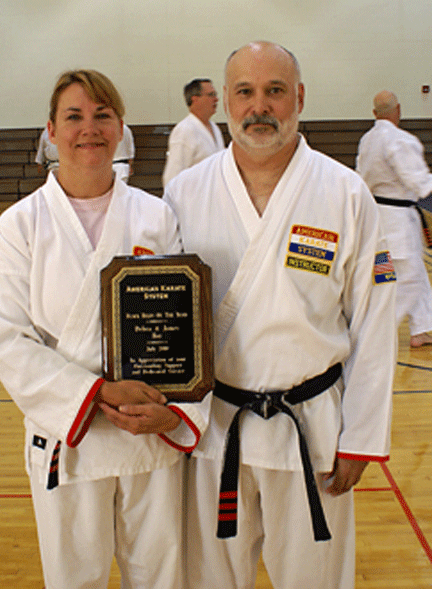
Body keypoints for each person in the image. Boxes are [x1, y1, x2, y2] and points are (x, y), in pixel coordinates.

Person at [164, 41, 396, 589]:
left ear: (300, 99)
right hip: (214, 428)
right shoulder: (183, 193)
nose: (259, 106)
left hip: (313, 430)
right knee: (210, 581)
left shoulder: (345, 191)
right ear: (225, 102)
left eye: (275, 91)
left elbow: (374, 320)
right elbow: (166, 320)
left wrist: (361, 434)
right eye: (245, 92)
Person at [0, 69, 210, 589]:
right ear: (51, 131)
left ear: (121, 127)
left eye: (102, 116)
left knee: (161, 577)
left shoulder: (156, 217)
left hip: (147, 433)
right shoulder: (21, 224)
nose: (90, 128)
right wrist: (96, 392)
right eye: (75, 117)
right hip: (70, 435)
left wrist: (172, 410)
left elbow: (184, 329)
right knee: (73, 580)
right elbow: (9, 342)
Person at [356, 90, 432, 348]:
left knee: (406, 273)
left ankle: (421, 329)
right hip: (399, 221)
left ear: (375, 113)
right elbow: (420, 183)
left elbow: (360, 179)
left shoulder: (367, 140)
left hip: (377, 219)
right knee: (408, 278)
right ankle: (380, 332)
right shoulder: (400, 140)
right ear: (398, 110)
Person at [162, 78, 225, 186]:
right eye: (211, 95)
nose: (216, 99)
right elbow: (172, 177)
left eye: (215, 94)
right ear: (195, 99)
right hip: (195, 197)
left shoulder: (215, 128)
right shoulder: (184, 130)